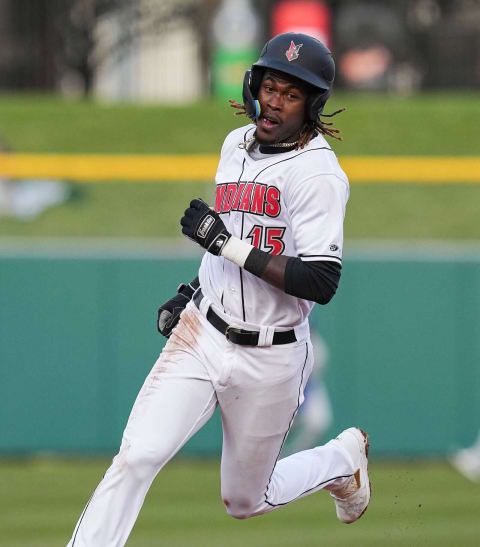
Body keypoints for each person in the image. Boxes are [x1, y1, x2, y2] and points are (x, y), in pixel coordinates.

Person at [67, 33, 371, 546]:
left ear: (313, 105)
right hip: (202, 333)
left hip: (271, 354)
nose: (274, 101)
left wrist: (226, 246)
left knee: (244, 500)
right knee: (136, 456)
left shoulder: (319, 174)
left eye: (291, 94)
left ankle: (341, 461)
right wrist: (192, 290)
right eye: (270, 86)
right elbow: (230, 236)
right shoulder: (235, 144)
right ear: (255, 85)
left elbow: (321, 280)